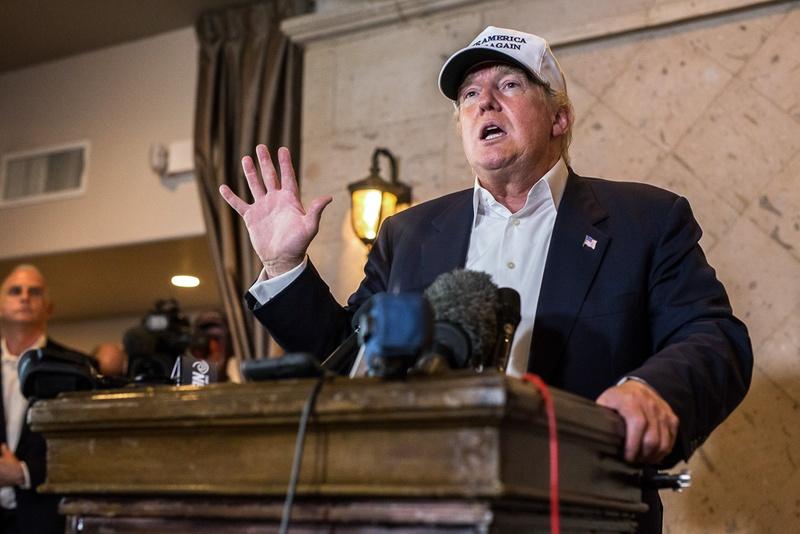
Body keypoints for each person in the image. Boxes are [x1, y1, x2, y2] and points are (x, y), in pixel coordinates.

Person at [219, 26, 752, 532]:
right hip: (419, 511)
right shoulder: (408, 233)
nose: (485, 103)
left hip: (581, 510)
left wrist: (650, 391)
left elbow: (713, 336)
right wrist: (286, 266)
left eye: (510, 84)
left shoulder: (646, 219)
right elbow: (349, 356)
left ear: (559, 118)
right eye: (470, 94)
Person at [0, 265, 66, 533]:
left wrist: (25, 472)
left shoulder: (76, 367)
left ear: (48, 307)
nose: (24, 297)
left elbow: (89, 451)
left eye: (34, 292)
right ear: (1, 304)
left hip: (47, 520)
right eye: (15, 291)